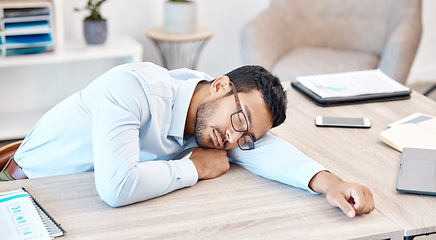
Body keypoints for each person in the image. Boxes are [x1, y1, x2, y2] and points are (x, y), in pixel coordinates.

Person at [1, 62, 374, 218]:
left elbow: (267, 150)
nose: (232, 138)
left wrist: (333, 184)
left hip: (79, 204)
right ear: (222, 85)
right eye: (239, 120)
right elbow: (117, 189)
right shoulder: (131, 88)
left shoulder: (215, 117)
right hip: (23, 192)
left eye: (245, 137)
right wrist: (192, 168)